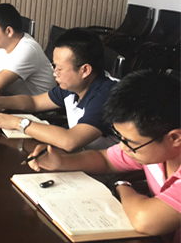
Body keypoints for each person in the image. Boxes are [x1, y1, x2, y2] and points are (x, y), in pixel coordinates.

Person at [27, 70, 180, 242]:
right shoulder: (153, 147)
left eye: (130, 142)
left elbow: (145, 220)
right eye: (120, 137)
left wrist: (122, 185)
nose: (122, 146)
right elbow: (106, 159)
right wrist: (62, 161)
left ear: (175, 138)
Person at [0, 28, 117, 151]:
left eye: (59, 69)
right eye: (54, 66)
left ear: (85, 70)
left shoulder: (107, 95)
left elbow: (71, 141)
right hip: (83, 157)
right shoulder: (73, 85)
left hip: (108, 170)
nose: (54, 73)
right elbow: (34, 102)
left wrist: (17, 123)